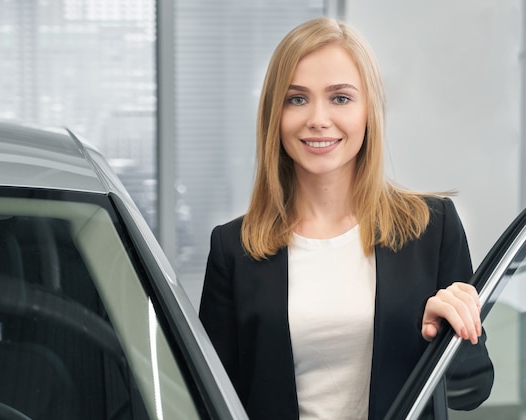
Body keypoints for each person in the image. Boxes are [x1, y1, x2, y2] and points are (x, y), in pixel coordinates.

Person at [198, 17, 493, 420]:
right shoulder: (234, 248)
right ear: (275, 115)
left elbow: (470, 391)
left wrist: (447, 335)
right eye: (297, 99)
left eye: (340, 98)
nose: (318, 119)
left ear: (368, 110)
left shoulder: (432, 227)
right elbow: (209, 400)